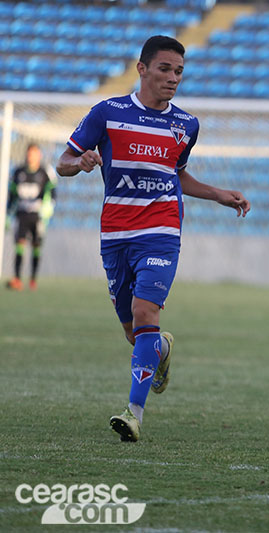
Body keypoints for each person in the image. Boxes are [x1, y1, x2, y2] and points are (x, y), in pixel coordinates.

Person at [56, 35, 251, 442]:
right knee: (134, 333)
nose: (173, 78)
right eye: (165, 69)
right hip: (116, 233)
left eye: (179, 71)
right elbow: (63, 162)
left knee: (145, 312)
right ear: (142, 69)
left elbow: (176, 175)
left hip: (162, 231)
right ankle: (159, 349)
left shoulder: (186, 125)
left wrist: (217, 194)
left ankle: (134, 413)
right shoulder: (107, 113)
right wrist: (82, 161)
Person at [5, 143, 57, 291]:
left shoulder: (45, 172)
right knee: (19, 244)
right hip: (21, 213)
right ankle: (17, 278)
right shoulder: (18, 172)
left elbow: (52, 191)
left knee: (36, 245)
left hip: (37, 214)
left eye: (34, 154)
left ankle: (33, 279)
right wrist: (8, 214)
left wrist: (48, 207)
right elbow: (12, 195)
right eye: (29, 154)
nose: (31, 157)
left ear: (39, 155)